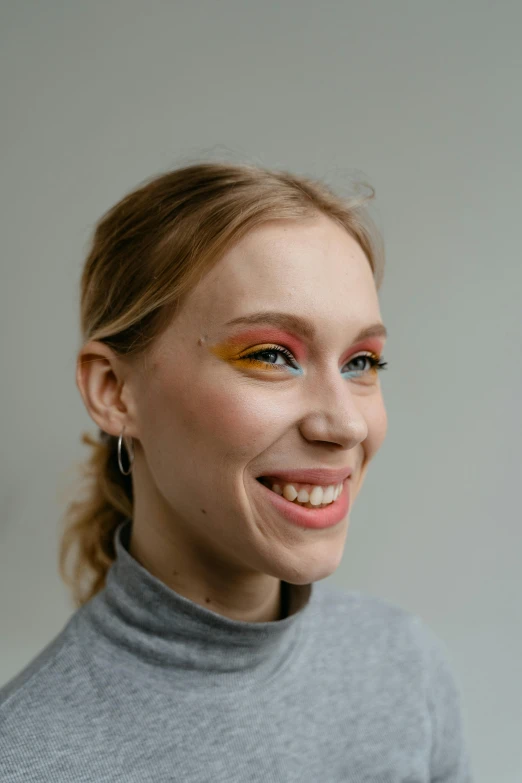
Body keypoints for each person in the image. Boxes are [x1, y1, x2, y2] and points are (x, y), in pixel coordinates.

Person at [0, 162, 474, 781]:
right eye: (272, 355)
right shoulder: (29, 757)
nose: (346, 425)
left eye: (362, 362)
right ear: (115, 391)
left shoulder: (403, 668)